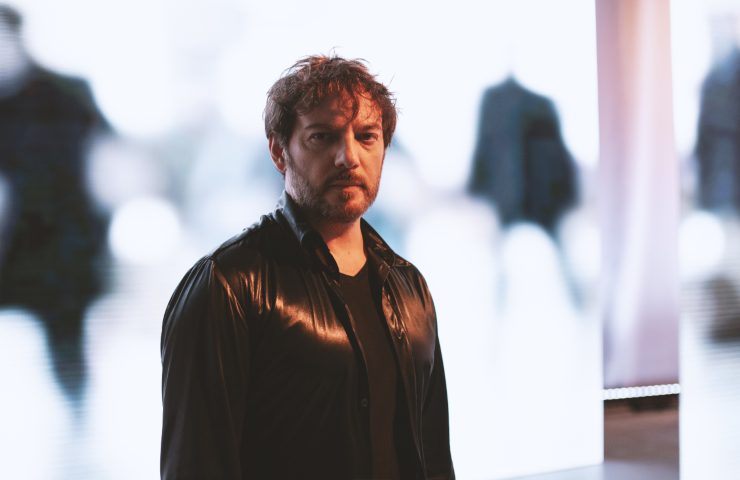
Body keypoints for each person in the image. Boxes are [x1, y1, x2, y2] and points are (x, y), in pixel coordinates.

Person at [160, 55, 455, 480]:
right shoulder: (228, 285)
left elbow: (434, 459)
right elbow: (195, 467)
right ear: (279, 151)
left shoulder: (408, 287)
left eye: (366, 137)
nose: (348, 157)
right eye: (322, 137)